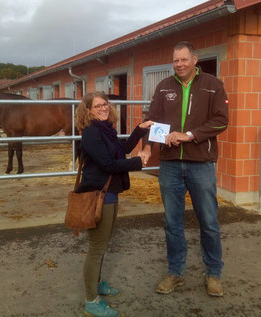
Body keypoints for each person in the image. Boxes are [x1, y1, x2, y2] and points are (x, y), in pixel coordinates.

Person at [139, 41, 229, 297]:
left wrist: (188, 135)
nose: (179, 64)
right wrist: (147, 148)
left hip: (201, 163)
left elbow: (221, 121)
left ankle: (213, 273)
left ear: (195, 59)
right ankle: (175, 272)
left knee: (209, 222)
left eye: (183, 59)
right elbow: (152, 121)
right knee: (172, 223)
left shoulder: (213, 85)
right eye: (175, 60)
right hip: (169, 165)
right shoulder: (164, 86)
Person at [75, 91, 153, 317]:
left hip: (110, 193)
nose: (103, 108)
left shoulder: (106, 130)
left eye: (105, 104)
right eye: (98, 106)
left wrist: (140, 129)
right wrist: (139, 162)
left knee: (103, 243)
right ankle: (91, 300)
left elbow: (123, 149)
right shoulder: (91, 133)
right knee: (96, 248)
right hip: (99, 194)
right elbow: (108, 163)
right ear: (88, 110)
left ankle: (97, 284)